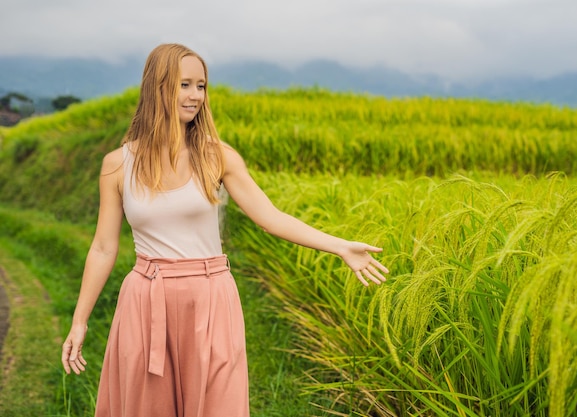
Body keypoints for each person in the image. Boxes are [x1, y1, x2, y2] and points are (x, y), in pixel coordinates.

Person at [61, 43, 388, 417]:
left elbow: (270, 217)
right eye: (185, 84)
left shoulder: (218, 156)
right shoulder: (117, 165)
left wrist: (341, 246)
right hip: (145, 299)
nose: (195, 95)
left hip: (211, 297)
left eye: (201, 86)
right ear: (158, 87)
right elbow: (103, 248)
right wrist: (79, 321)